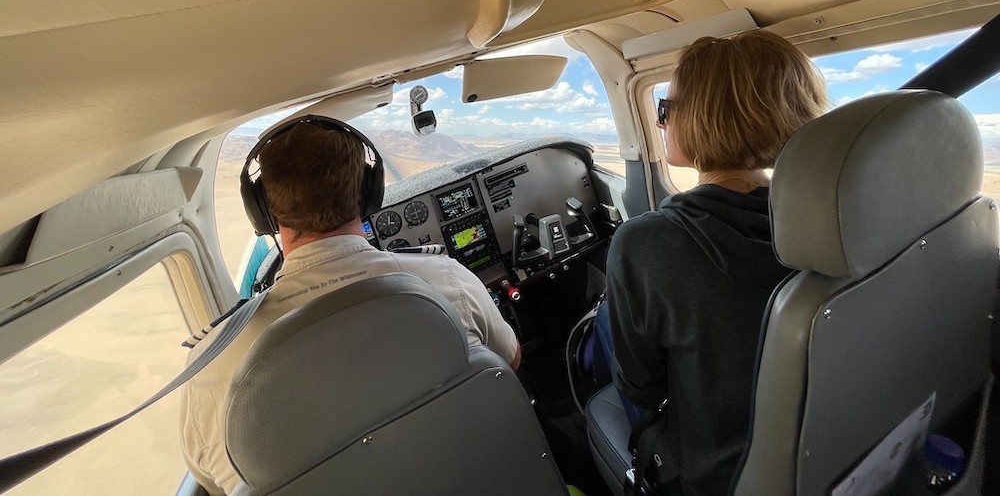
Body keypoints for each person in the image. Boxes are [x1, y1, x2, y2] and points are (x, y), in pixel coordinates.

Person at [180, 119, 521, 495]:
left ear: (264, 212)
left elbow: (214, 481)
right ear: (365, 193)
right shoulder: (445, 279)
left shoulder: (213, 360)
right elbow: (509, 362)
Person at [605, 31, 828, 495]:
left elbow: (640, 387)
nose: (661, 123)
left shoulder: (645, 242)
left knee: (606, 326)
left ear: (702, 118)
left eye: (665, 110)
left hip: (718, 475)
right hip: (824, 443)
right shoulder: (833, 219)